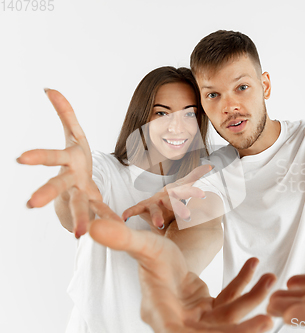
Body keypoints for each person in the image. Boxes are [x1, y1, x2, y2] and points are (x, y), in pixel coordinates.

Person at [121, 30, 305, 332]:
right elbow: (201, 227)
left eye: (241, 87)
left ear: (265, 85)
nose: (229, 106)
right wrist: (173, 279)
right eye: (213, 94)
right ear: (202, 103)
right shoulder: (213, 170)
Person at [17, 66, 222, 332]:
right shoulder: (106, 169)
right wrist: (72, 186)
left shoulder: (198, 183)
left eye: (189, 114)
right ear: (141, 117)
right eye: (162, 113)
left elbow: (200, 242)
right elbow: (73, 214)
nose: (177, 126)